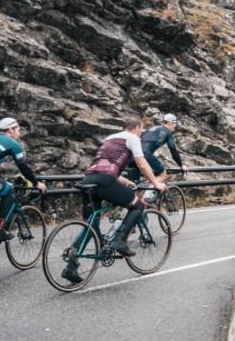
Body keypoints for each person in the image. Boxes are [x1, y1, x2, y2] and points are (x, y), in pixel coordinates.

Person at [63, 116, 162, 283]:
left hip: (88, 179)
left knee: (91, 226)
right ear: (137, 128)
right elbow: (142, 165)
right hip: (104, 180)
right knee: (137, 206)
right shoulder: (133, 138)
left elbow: (104, 165)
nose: (141, 134)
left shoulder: (110, 138)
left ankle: (70, 268)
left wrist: (123, 180)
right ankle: (121, 242)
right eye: (142, 131)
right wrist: (156, 184)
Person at [137, 113, 185, 193]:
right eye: (175, 124)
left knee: (136, 185)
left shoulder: (151, 129)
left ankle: (137, 201)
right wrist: (181, 165)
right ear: (170, 123)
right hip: (146, 154)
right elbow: (173, 149)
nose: (175, 126)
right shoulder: (168, 132)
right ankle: (148, 194)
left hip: (134, 156)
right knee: (163, 174)